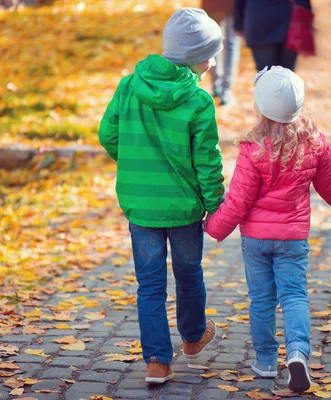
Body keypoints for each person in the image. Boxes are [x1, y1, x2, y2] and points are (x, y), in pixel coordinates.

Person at [98, 8, 225, 384]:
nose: (214, 60)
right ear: (195, 58)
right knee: (189, 275)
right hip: (184, 208)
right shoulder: (198, 102)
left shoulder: (127, 86)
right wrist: (217, 204)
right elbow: (207, 161)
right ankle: (192, 337)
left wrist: (137, 163)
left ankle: (157, 360)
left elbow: (108, 134)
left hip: (141, 207)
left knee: (150, 284)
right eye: (210, 54)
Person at [205, 66, 331, 392]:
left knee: (261, 300)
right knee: (295, 296)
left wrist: (214, 227)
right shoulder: (314, 142)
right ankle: (298, 353)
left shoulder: (252, 147)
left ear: (261, 105)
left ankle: (266, 361)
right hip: (293, 238)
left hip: (256, 240)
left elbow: (238, 201)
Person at [234, 0, 312, 72]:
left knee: (265, 74)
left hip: (258, 20)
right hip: (289, 22)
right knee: (286, 75)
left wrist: (238, 24)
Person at [201, 0, 242, 105]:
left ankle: (216, 86)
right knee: (231, 43)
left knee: (213, 40)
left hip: (212, 4)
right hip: (233, 4)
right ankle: (225, 90)